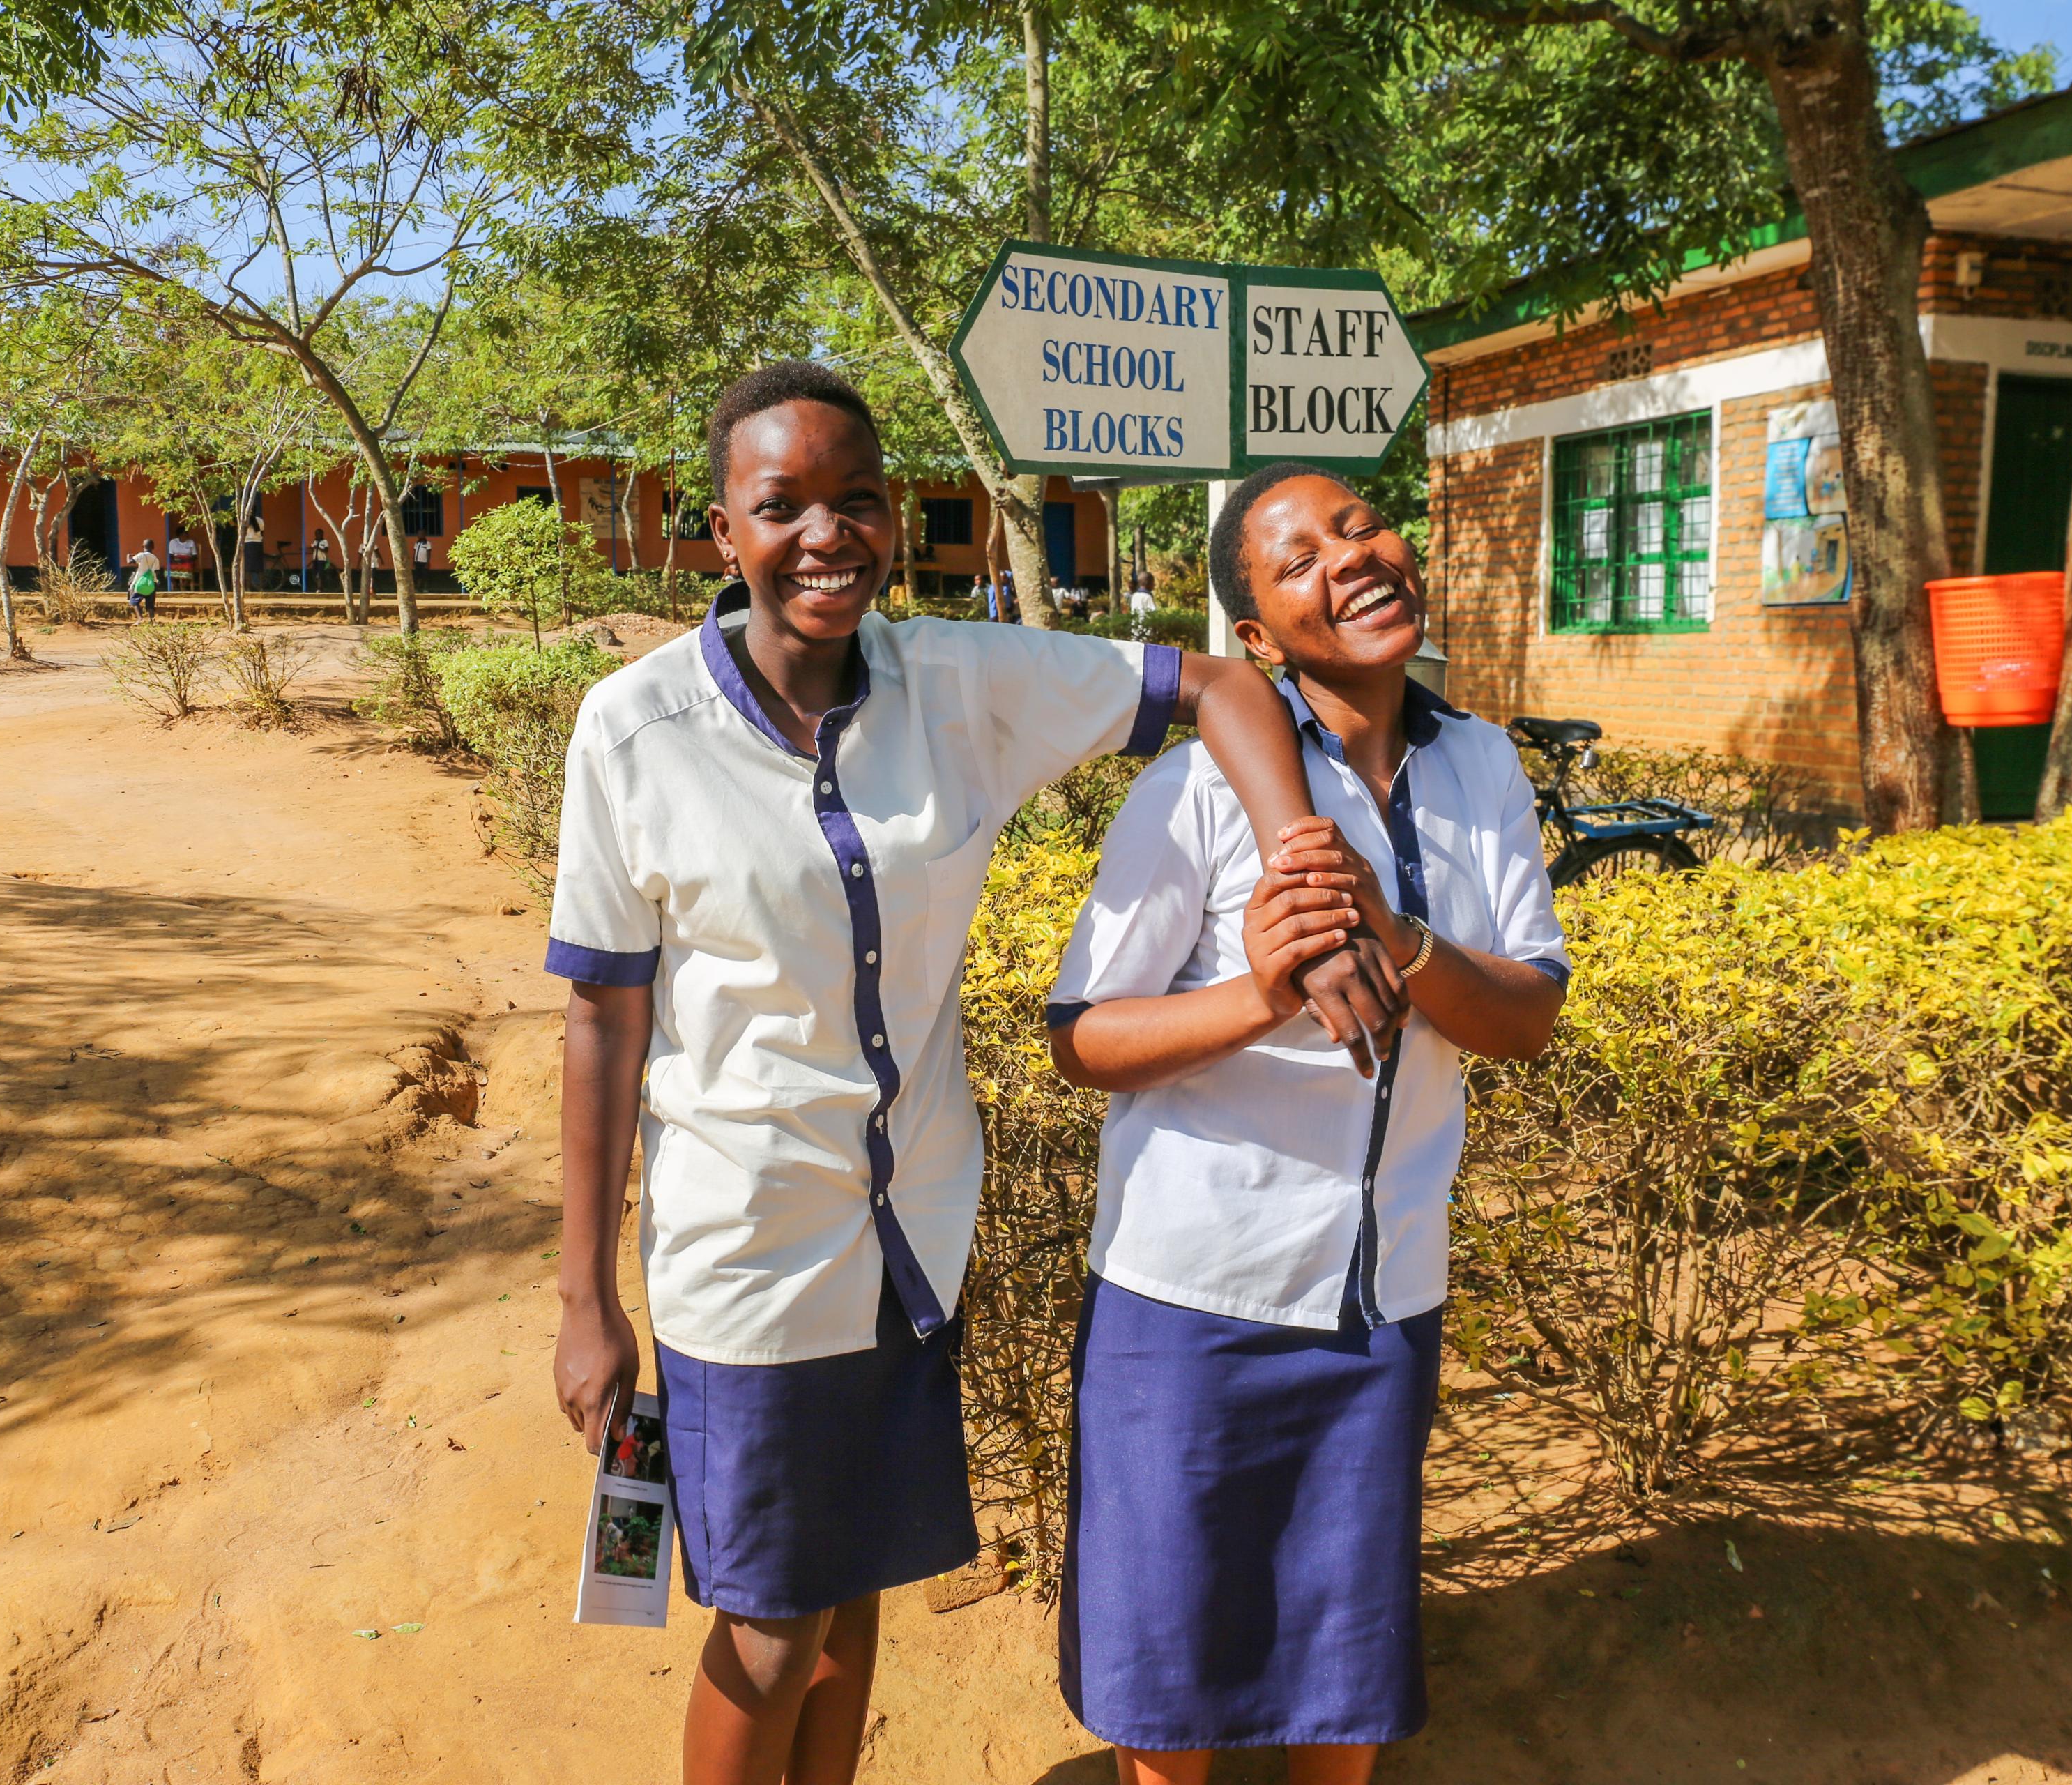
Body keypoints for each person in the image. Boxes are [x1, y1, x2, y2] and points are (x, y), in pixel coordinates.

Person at [549, 367, 1403, 1785]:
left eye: (859, 499)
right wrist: (583, 1295)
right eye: (784, 506)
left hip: (911, 1232)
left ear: (894, 515)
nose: (829, 534)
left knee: (855, 1585)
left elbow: (1220, 683)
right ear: (723, 530)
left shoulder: (964, 680)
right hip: (745, 1245)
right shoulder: (633, 733)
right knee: (766, 1625)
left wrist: (1303, 864)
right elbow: (601, 1023)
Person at [1046, 462, 1570, 1785]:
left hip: (1383, 1302)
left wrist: (1397, 939)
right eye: (1300, 559)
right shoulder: (1198, 793)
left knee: (1343, 1682)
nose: (1353, 557)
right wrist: (1255, 994)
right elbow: (1081, 1037)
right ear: (1258, 638)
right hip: (1191, 1307)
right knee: (1172, 1697)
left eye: (1361, 526)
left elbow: (1525, 1015)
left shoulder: (1481, 767)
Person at [126, 543, 160, 619]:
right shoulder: (156, 559)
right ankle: (152, 620)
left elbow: (130, 562)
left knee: (134, 601)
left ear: (143, 547)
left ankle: (140, 618)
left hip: (139, 583)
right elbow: (157, 572)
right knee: (150, 604)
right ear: (153, 547)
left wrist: (128, 556)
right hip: (151, 584)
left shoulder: (141, 555)